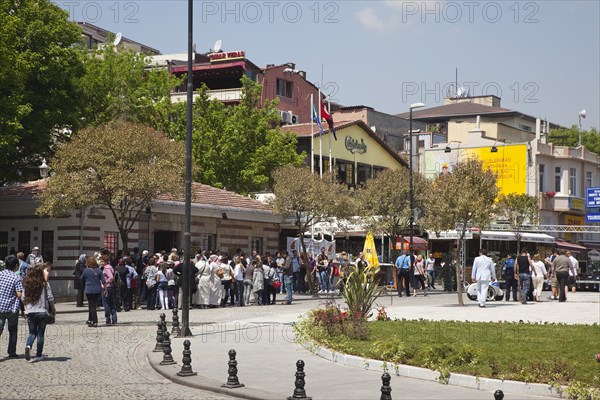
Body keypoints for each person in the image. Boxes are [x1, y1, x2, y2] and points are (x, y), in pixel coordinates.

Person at [23, 267, 55, 362]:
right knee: (40, 334)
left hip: (30, 311)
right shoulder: (44, 284)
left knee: (32, 332)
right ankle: (39, 355)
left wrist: (27, 305)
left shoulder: (26, 284)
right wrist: (53, 309)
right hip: (42, 311)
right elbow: (50, 297)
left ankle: (28, 346)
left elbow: (23, 298)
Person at [0, 256, 23, 358]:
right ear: (16, 266)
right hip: (11, 309)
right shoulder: (16, 277)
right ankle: (11, 351)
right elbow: (19, 294)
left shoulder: (0, 274)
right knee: (12, 330)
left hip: (0, 307)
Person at [80, 256, 104, 327]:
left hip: (89, 290)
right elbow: (103, 281)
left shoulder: (85, 271)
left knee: (91, 306)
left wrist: (84, 286)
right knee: (93, 305)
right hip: (97, 290)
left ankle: (95, 321)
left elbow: (81, 279)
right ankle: (90, 320)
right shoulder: (99, 270)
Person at [99, 255, 118, 325]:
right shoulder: (110, 267)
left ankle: (108, 318)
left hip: (106, 287)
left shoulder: (106, 268)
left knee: (106, 304)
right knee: (112, 303)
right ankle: (114, 318)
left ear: (106, 261)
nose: (101, 263)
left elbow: (111, 277)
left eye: (102, 261)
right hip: (111, 287)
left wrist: (105, 282)